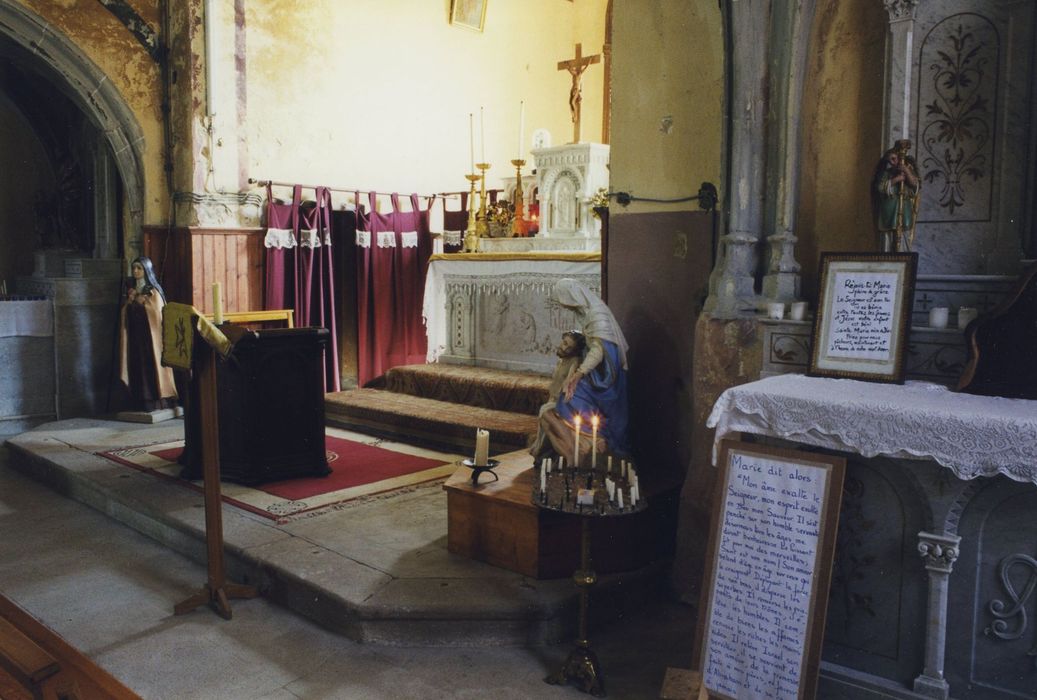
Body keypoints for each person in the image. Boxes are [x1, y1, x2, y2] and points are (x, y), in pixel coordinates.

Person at [530, 279, 631, 464]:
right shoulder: (588, 313)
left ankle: (591, 437)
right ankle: (573, 453)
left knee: (571, 396)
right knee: (566, 396)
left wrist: (579, 374)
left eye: (567, 304)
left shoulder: (597, 314)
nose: (568, 308)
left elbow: (600, 349)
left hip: (607, 376)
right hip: (596, 372)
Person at [118, 256, 178, 412]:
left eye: (139, 268)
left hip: (151, 340)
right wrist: (130, 303)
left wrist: (139, 302)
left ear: (146, 271)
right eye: (134, 268)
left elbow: (156, 314)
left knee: (152, 368)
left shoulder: (153, 291)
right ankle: (140, 400)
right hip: (136, 337)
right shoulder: (132, 290)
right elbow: (126, 312)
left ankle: (155, 401)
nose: (136, 271)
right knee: (137, 367)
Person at [873, 139, 921, 252]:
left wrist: (907, 173)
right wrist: (896, 179)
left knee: (903, 242)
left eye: (894, 159)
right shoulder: (886, 173)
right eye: (890, 160)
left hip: (904, 211)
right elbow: (879, 188)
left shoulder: (908, 170)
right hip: (889, 211)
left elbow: (915, 186)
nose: (893, 162)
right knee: (888, 243)